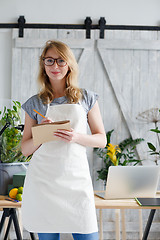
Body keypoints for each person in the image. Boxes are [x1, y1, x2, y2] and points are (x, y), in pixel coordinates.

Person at [21, 40, 107, 240]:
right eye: (49, 61)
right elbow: (25, 149)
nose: (55, 66)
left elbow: (101, 139)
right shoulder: (35, 103)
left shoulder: (86, 98)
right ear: (43, 64)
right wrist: (42, 133)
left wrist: (76, 137)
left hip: (76, 182)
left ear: (69, 64)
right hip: (44, 183)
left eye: (60, 61)